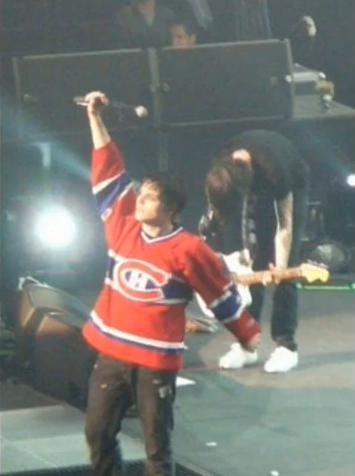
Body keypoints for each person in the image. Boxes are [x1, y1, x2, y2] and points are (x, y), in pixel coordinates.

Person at [81, 91, 261, 476]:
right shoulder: (122, 226)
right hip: (112, 355)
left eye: (148, 198)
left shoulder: (188, 249)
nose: (139, 201)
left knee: (157, 451)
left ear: (171, 209)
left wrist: (245, 333)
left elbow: (219, 295)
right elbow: (108, 170)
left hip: (154, 363)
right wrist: (95, 118)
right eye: (140, 195)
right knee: (97, 434)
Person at [203, 129, 309, 373]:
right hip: (248, 180)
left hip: (293, 182)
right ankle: (247, 344)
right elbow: (216, 215)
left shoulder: (276, 171)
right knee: (252, 263)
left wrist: (281, 268)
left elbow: (285, 225)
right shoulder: (220, 167)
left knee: (284, 268)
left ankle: (286, 346)